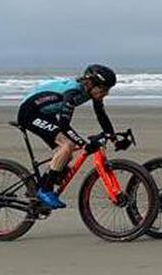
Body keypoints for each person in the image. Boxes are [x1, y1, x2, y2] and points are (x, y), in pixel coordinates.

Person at [16, 64, 127, 209]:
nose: (106, 93)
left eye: (108, 90)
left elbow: (101, 115)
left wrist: (112, 136)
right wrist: (83, 143)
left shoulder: (90, 91)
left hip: (45, 113)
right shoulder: (72, 92)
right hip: (29, 112)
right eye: (104, 89)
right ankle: (45, 191)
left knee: (66, 155)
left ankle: (39, 187)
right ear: (90, 83)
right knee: (68, 146)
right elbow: (64, 125)